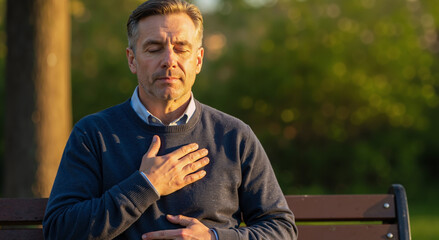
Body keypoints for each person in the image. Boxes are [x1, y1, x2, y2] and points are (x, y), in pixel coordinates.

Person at [43, 0, 298, 239]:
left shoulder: (234, 135)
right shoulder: (93, 133)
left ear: (197, 60)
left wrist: (214, 236)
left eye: (181, 49)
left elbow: (281, 229)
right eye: (154, 49)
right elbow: (58, 229)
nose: (169, 61)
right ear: (132, 59)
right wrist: (145, 185)